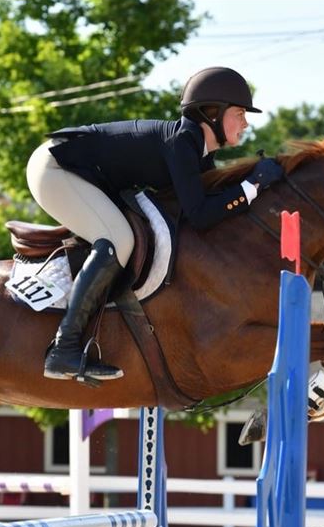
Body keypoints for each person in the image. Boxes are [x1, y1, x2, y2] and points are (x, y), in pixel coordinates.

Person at [26, 66, 283, 382]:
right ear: (212, 114)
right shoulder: (182, 142)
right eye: (240, 113)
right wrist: (253, 185)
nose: (245, 123)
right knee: (119, 240)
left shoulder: (197, 151)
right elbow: (201, 214)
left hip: (81, 173)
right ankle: (63, 349)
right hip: (55, 168)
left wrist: (254, 187)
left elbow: (211, 208)